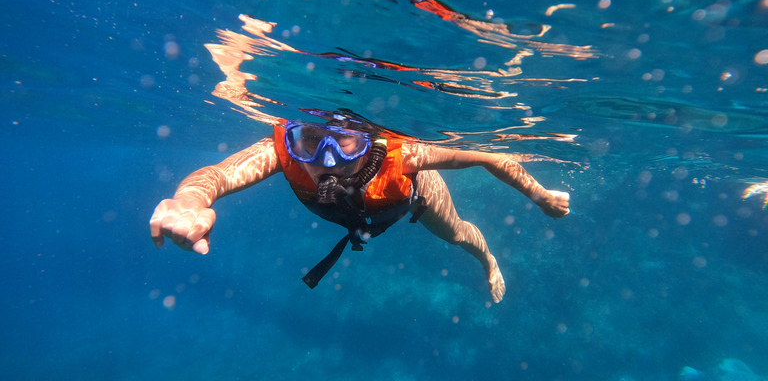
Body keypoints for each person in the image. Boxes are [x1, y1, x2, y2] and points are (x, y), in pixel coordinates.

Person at [149, 114, 570, 303]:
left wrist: (539, 195)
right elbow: (218, 175)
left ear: (371, 139)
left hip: (411, 196)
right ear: (291, 137)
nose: (325, 159)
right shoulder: (280, 154)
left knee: (458, 232)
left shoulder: (406, 156)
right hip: (361, 214)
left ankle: (489, 259)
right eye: (310, 141)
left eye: (345, 141)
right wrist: (189, 200)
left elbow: (488, 156)